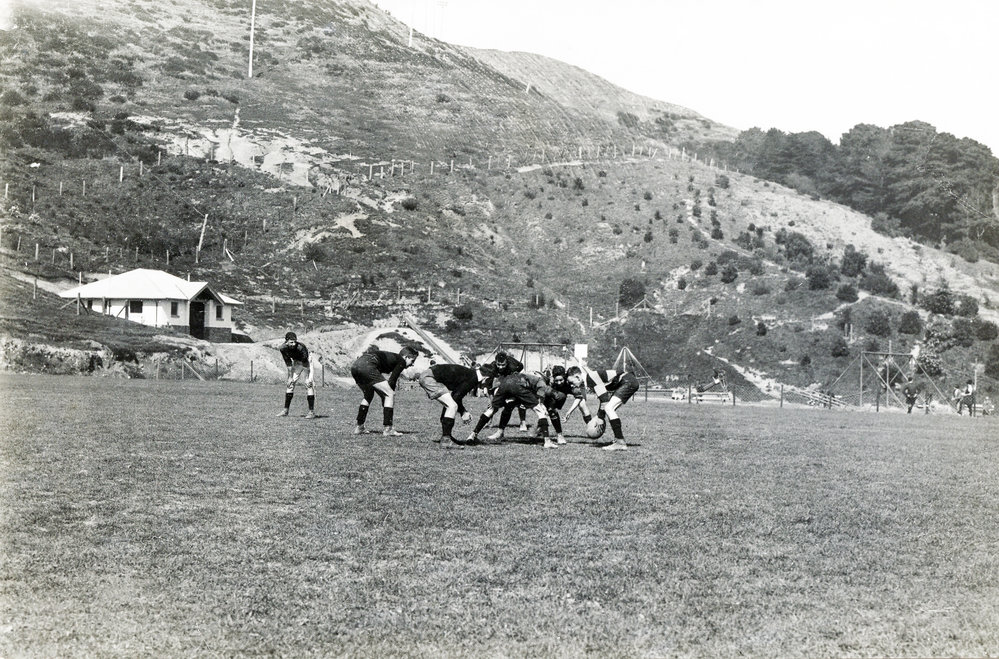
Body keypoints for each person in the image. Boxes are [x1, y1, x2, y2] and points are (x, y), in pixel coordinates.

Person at [412, 362, 492, 449]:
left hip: (427, 375)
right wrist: (463, 412)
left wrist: (462, 411)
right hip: (429, 378)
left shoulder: (471, 373)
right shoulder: (472, 378)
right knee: (452, 406)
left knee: (450, 404)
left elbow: (454, 396)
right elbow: (456, 397)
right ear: (486, 377)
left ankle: (447, 436)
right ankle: (446, 440)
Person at [467, 371, 556, 449]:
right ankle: (547, 441)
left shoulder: (504, 378)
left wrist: (496, 400)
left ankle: (472, 435)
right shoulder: (540, 380)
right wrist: (540, 402)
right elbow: (540, 389)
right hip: (518, 387)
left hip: (507, 386)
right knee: (541, 412)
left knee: (494, 409)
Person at [566, 365, 640, 451]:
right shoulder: (590, 378)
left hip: (627, 381)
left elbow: (605, 400)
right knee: (610, 408)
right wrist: (600, 416)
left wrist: (600, 417)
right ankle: (618, 440)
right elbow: (604, 399)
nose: (571, 385)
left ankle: (620, 442)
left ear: (577, 377)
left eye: (571, 382)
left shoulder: (590, 379)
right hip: (628, 381)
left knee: (609, 408)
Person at [350, 346, 418, 436]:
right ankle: (388, 428)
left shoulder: (390, 358)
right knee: (390, 394)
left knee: (368, 395)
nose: (412, 364)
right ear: (406, 357)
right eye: (412, 361)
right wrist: (389, 397)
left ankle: (359, 427)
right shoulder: (401, 360)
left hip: (355, 366)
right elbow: (392, 381)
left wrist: (385, 397)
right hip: (368, 365)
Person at [277, 331, 317, 418]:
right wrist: (290, 378)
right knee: (290, 384)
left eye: (295, 341)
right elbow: (288, 364)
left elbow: (306, 364)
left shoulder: (301, 347)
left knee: (308, 384)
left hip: (306, 362)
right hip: (296, 362)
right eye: (291, 342)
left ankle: (311, 412)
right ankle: (285, 410)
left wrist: (307, 378)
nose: (293, 344)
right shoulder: (283, 348)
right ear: (286, 341)